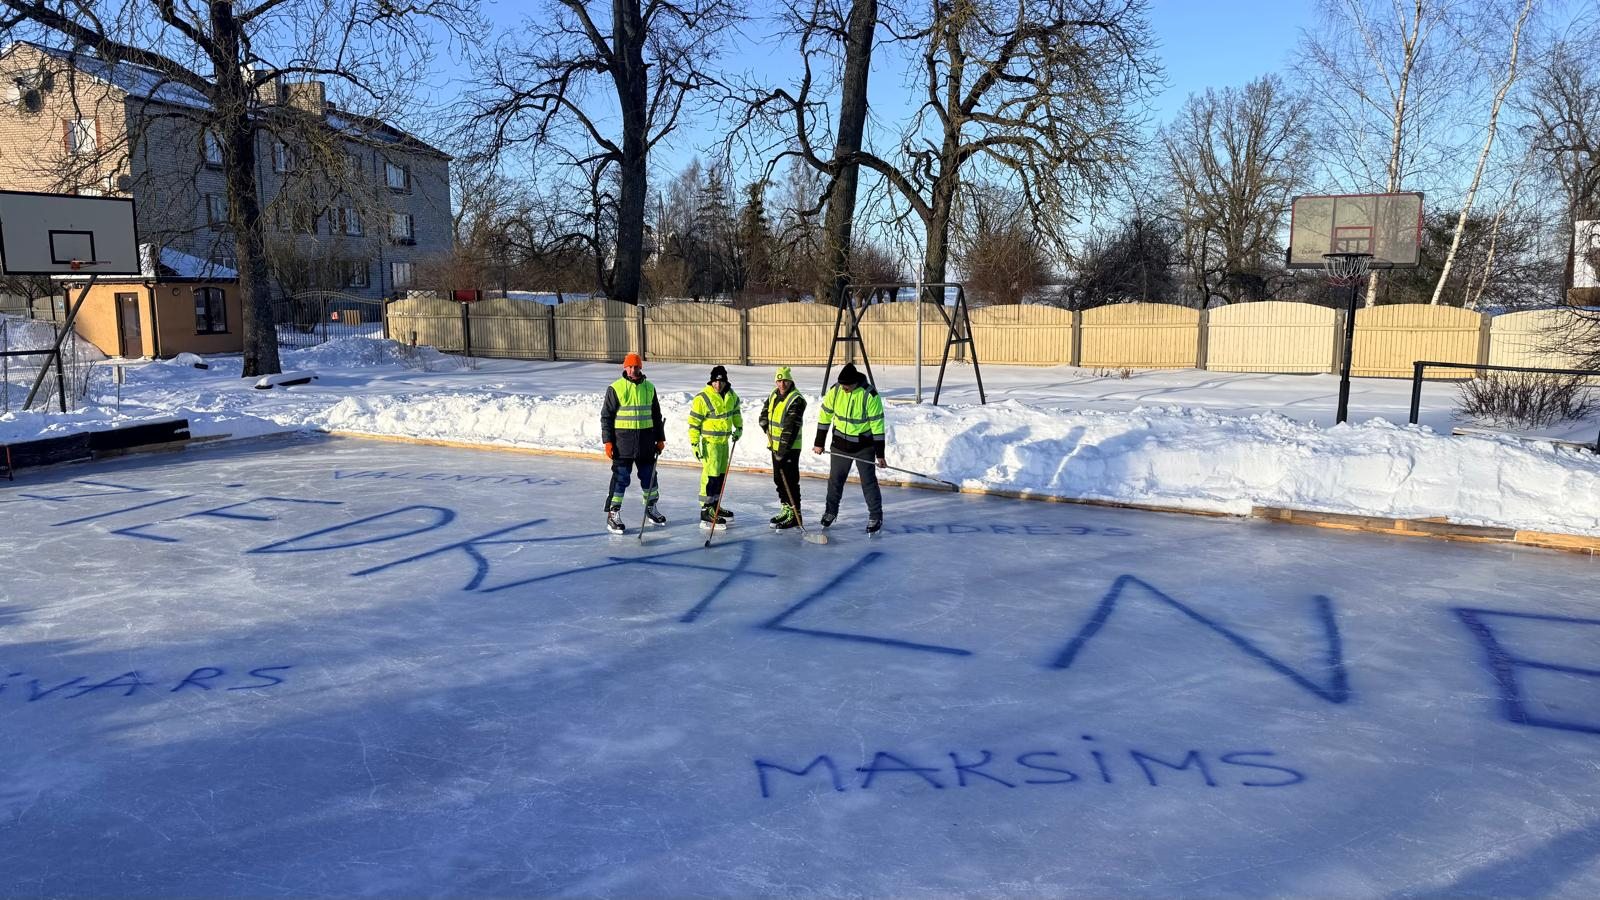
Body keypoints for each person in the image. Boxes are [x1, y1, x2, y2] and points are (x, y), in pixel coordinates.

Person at [812, 362, 886, 534]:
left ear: (855, 383)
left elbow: (878, 427)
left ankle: (875, 516)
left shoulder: (870, 395)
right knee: (835, 481)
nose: (844, 388)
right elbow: (825, 416)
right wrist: (819, 442)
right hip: (839, 445)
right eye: (842, 385)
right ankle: (830, 512)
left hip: (863, 447)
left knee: (868, 482)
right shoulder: (836, 390)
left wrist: (880, 454)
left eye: (847, 386)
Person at [600, 352, 666, 535]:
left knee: (650, 478)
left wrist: (660, 438)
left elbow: (656, 416)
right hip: (623, 445)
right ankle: (613, 514)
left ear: (640, 368)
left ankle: (651, 508)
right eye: (630, 366)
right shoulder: (615, 388)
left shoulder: (649, 388)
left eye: (636, 366)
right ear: (625, 367)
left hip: (646, 443)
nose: (633, 370)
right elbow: (606, 417)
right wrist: (608, 442)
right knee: (620, 480)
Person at [688, 364, 743, 526]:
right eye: (715, 382)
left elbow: (736, 413)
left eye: (720, 382)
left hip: (724, 444)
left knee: (720, 476)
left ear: (725, 381)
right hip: (709, 444)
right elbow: (693, 423)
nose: (717, 385)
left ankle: (715, 506)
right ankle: (706, 510)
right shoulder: (702, 398)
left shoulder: (732, 396)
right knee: (710, 477)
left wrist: (739, 428)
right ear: (711, 381)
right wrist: (694, 443)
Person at [760, 366, 807, 529]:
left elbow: (790, 428)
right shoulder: (774, 394)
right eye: (779, 381)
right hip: (775, 446)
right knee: (778, 479)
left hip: (789, 448)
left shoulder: (797, 400)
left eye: (785, 381)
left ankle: (795, 514)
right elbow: (766, 410)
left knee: (790, 480)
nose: (782, 384)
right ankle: (786, 508)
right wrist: (763, 421)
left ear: (790, 381)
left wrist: (782, 452)